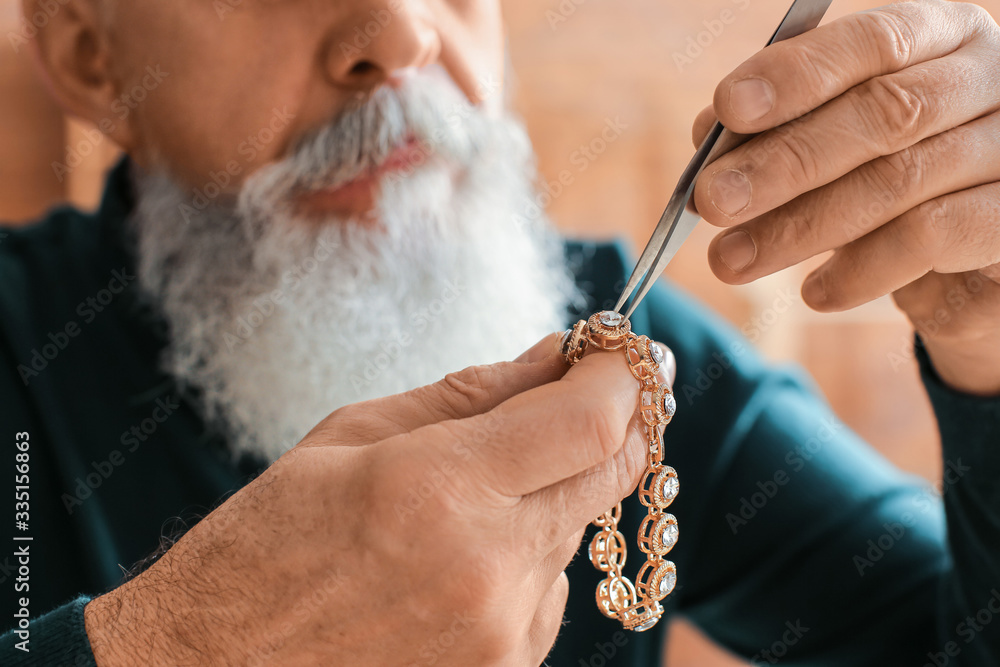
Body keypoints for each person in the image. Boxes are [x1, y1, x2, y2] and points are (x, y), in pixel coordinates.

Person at [2, 0, 999, 664]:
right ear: (93, 53)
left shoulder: (631, 355)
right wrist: (178, 643)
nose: (399, 32)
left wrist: (988, 348)